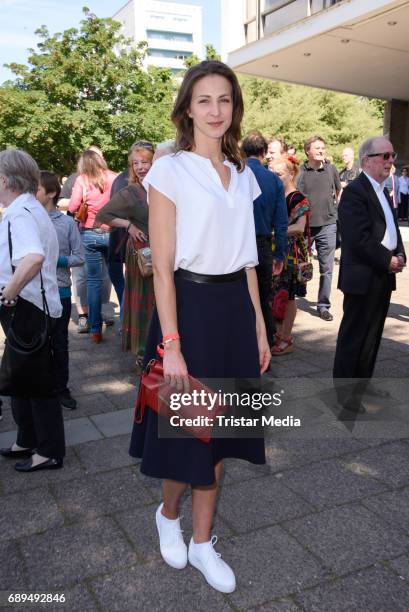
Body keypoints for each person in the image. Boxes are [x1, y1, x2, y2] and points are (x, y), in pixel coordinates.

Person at [129, 60, 270, 593]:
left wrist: (258, 325)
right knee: (187, 433)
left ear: (234, 109)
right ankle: (169, 515)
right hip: (187, 308)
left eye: (225, 100)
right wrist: (172, 345)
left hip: (235, 310)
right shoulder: (169, 170)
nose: (216, 110)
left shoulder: (244, 175)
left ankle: (203, 543)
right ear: (188, 107)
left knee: (224, 434)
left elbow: (249, 262)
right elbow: (162, 268)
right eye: (205, 100)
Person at [0, 149, 65, 471]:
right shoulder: (29, 208)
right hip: (32, 306)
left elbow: (33, 257)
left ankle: (48, 451)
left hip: (26, 307)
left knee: (36, 383)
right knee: (20, 379)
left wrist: (7, 295)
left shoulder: (20, 213)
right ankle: (27, 439)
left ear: (4, 180)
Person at [333, 136, 406, 413]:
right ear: (366, 160)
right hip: (363, 276)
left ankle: (363, 384)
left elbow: (392, 228)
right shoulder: (355, 192)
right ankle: (344, 394)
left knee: (373, 336)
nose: (391, 161)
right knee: (354, 336)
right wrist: (387, 259)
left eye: (392, 155)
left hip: (383, 275)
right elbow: (358, 238)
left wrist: (400, 254)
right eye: (384, 156)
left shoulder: (384, 191)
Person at [96, 142, 155, 365]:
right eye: (135, 163)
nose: (140, 167)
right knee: (144, 305)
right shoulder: (131, 192)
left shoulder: (164, 188)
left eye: (145, 161)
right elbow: (103, 215)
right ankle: (142, 353)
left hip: (168, 252)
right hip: (143, 257)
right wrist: (128, 225)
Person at [37, 171, 85, 410]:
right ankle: (43, 388)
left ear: (51, 193)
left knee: (60, 343)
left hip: (61, 292)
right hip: (33, 294)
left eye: (35, 188)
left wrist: (56, 260)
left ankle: (61, 388)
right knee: (39, 344)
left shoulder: (66, 223)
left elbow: (79, 257)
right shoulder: (29, 221)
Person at [58, 146, 114, 333]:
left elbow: (73, 206)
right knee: (116, 277)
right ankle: (127, 325)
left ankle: (95, 328)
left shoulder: (82, 179)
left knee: (92, 280)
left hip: (89, 233)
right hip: (113, 231)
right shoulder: (114, 177)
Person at [241, 131, 288, 348]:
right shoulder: (273, 180)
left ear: (243, 151)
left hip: (238, 246)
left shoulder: (234, 174)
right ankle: (265, 349)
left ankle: (241, 349)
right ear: (263, 152)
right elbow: (281, 223)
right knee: (263, 300)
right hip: (262, 246)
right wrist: (280, 253)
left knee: (239, 301)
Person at [297, 136, 341, 321]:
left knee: (327, 268)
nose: (322, 151)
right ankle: (295, 295)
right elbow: (295, 197)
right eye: (317, 148)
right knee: (300, 266)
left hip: (328, 225)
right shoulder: (301, 172)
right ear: (308, 151)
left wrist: (332, 209)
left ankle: (323, 305)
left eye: (323, 147)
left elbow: (338, 191)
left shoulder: (331, 169)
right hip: (305, 228)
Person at [271, 156, 311, 355]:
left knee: (288, 296)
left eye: (278, 174)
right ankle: (278, 334)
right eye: (272, 173)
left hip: (291, 253)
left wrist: (275, 231)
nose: (274, 177)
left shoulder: (297, 197)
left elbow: (300, 227)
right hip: (277, 250)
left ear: (291, 173)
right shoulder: (275, 194)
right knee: (276, 293)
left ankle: (286, 337)